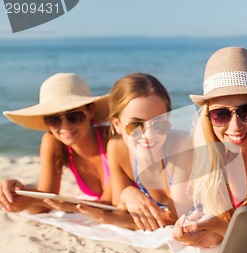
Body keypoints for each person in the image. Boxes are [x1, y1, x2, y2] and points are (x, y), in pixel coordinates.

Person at [172, 47, 247, 247]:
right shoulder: (212, 160)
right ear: (208, 118)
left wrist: (218, 226)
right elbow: (226, 232)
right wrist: (197, 235)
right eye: (221, 114)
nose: (235, 126)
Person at [81, 72, 193, 231]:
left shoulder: (182, 146)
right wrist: (127, 192)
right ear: (117, 124)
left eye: (159, 124)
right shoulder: (117, 148)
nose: (148, 134)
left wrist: (105, 218)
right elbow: (119, 207)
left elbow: (177, 220)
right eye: (135, 125)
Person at [0, 73, 111, 214]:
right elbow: (44, 203)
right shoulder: (53, 141)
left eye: (73, 116)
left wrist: (64, 205)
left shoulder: (112, 141)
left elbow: (113, 206)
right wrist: (17, 194)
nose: (65, 126)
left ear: (90, 110)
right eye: (53, 119)